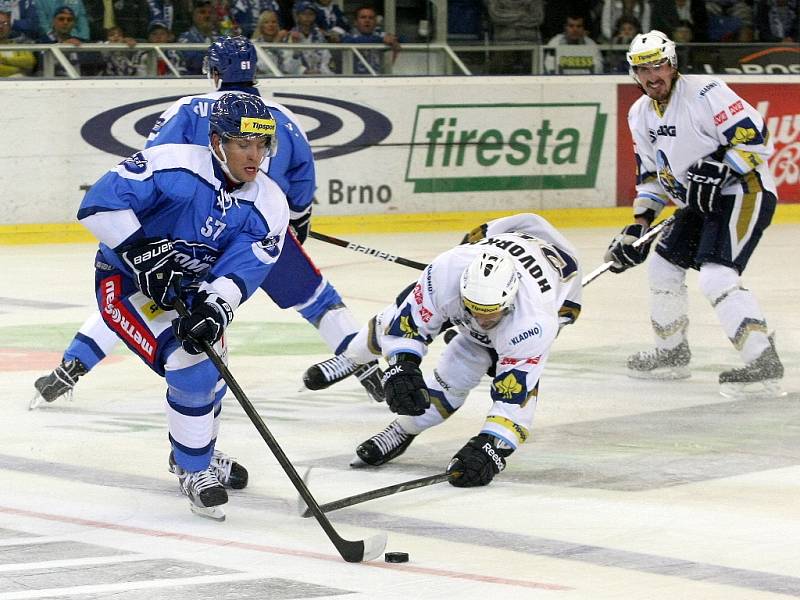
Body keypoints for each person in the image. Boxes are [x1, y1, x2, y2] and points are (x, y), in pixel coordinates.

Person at [32, 36, 384, 409]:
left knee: (142, 292)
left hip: (188, 234)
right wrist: (295, 222)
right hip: (260, 228)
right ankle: (369, 369)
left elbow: (155, 164)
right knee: (316, 298)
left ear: (214, 73)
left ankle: (71, 367)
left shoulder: (188, 108)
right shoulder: (280, 116)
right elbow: (302, 181)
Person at [77, 92, 288, 519]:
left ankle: (192, 450)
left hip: (189, 290)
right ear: (216, 141)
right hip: (125, 284)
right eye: (243, 144)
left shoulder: (270, 205)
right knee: (193, 364)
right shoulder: (171, 163)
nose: (254, 155)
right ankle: (194, 468)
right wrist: (140, 251)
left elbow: (240, 272)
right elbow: (96, 205)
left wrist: (215, 308)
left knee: (214, 365)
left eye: (261, 145)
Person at [304, 213, 582, 487]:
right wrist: (402, 367)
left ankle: (402, 430)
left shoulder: (532, 324)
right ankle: (351, 358)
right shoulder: (449, 269)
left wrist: (492, 448)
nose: (481, 321)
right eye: (475, 310)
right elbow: (406, 326)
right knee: (396, 315)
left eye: (490, 315)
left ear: (510, 301)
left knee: (458, 372)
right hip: (499, 237)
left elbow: (515, 401)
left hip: (558, 294)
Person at [603, 30, 783, 397]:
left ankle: (764, 361)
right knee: (662, 266)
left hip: (744, 190)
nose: (653, 76)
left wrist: (719, 166)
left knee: (717, 276)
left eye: (659, 66)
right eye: (643, 69)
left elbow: (756, 138)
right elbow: (651, 177)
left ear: (673, 64)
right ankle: (672, 353)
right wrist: (638, 227)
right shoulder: (639, 113)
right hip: (696, 202)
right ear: (633, 74)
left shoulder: (705, 92)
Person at [485, 0, 544, 74]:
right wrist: (522, 14)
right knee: (501, 73)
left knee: (533, 74)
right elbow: (496, 16)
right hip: (504, 42)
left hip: (530, 42)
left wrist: (510, 19)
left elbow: (537, 18)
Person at [341, 5, 399, 75]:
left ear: (375, 22)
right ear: (355, 22)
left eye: (371, 18)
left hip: (376, 79)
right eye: (363, 17)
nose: (367, 20)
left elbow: (402, 39)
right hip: (354, 80)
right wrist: (381, 40)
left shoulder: (380, 35)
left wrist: (393, 38)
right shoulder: (348, 35)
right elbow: (349, 41)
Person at [0, 9, 36, 76]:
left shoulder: (17, 45)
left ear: (9, 27)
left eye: (4, 23)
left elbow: (30, 61)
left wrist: (4, 60)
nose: (1, 27)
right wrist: (19, 69)